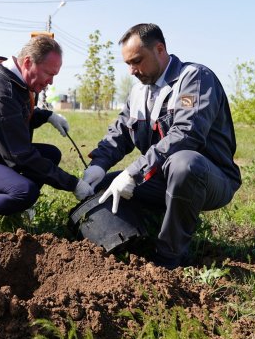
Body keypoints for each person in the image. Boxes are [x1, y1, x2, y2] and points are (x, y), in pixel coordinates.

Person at [80, 23, 241, 269]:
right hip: (162, 176)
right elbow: (120, 133)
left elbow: (187, 133)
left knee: (183, 163)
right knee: (105, 188)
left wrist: (133, 172)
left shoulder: (194, 79)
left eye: (137, 61)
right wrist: (98, 166)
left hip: (209, 178)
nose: (132, 70)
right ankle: (135, 241)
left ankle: (169, 256)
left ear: (160, 49)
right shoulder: (138, 92)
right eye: (128, 64)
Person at [0, 36, 93, 225]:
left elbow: (15, 115)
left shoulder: (13, 80)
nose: (51, 82)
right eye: (49, 73)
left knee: (50, 154)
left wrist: (46, 116)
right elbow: (20, 155)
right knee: (25, 191)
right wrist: (73, 184)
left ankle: (16, 207)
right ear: (28, 62)